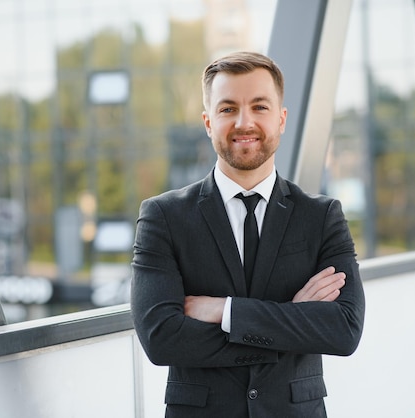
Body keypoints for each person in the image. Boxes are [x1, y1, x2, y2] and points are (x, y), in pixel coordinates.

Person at [131, 51, 365, 418]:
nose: (244, 122)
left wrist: (225, 311)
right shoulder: (163, 216)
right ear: (208, 122)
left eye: (259, 107)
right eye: (227, 109)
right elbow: (162, 340)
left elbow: (344, 330)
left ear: (281, 119)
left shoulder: (321, 217)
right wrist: (292, 320)